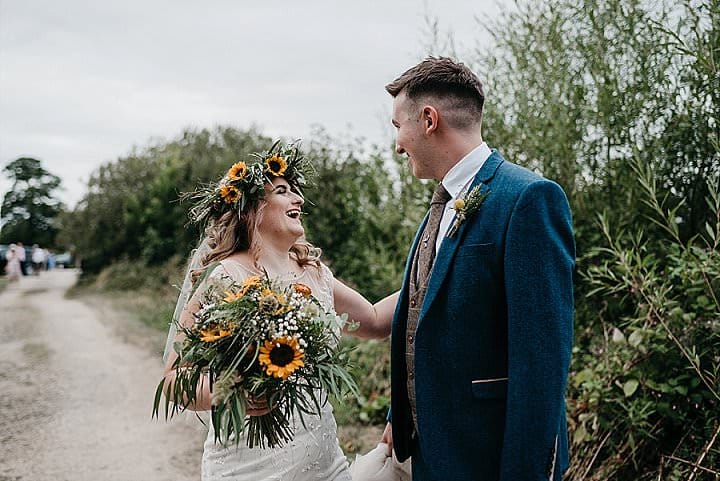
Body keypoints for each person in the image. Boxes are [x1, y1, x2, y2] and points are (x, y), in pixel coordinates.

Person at [380, 57, 575, 481]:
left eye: (398, 127)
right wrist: (404, 411)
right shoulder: (442, 203)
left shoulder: (528, 199)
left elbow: (541, 361)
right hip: (433, 453)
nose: (397, 144)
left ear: (429, 120)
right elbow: (423, 315)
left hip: (489, 458)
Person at [161, 142, 395, 481]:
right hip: (250, 469)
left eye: (296, 191)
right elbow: (173, 380)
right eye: (283, 191)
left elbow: (373, 320)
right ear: (249, 210)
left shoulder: (314, 272)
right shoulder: (224, 278)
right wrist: (234, 390)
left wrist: (430, 272)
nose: (298, 198)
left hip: (326, 464)